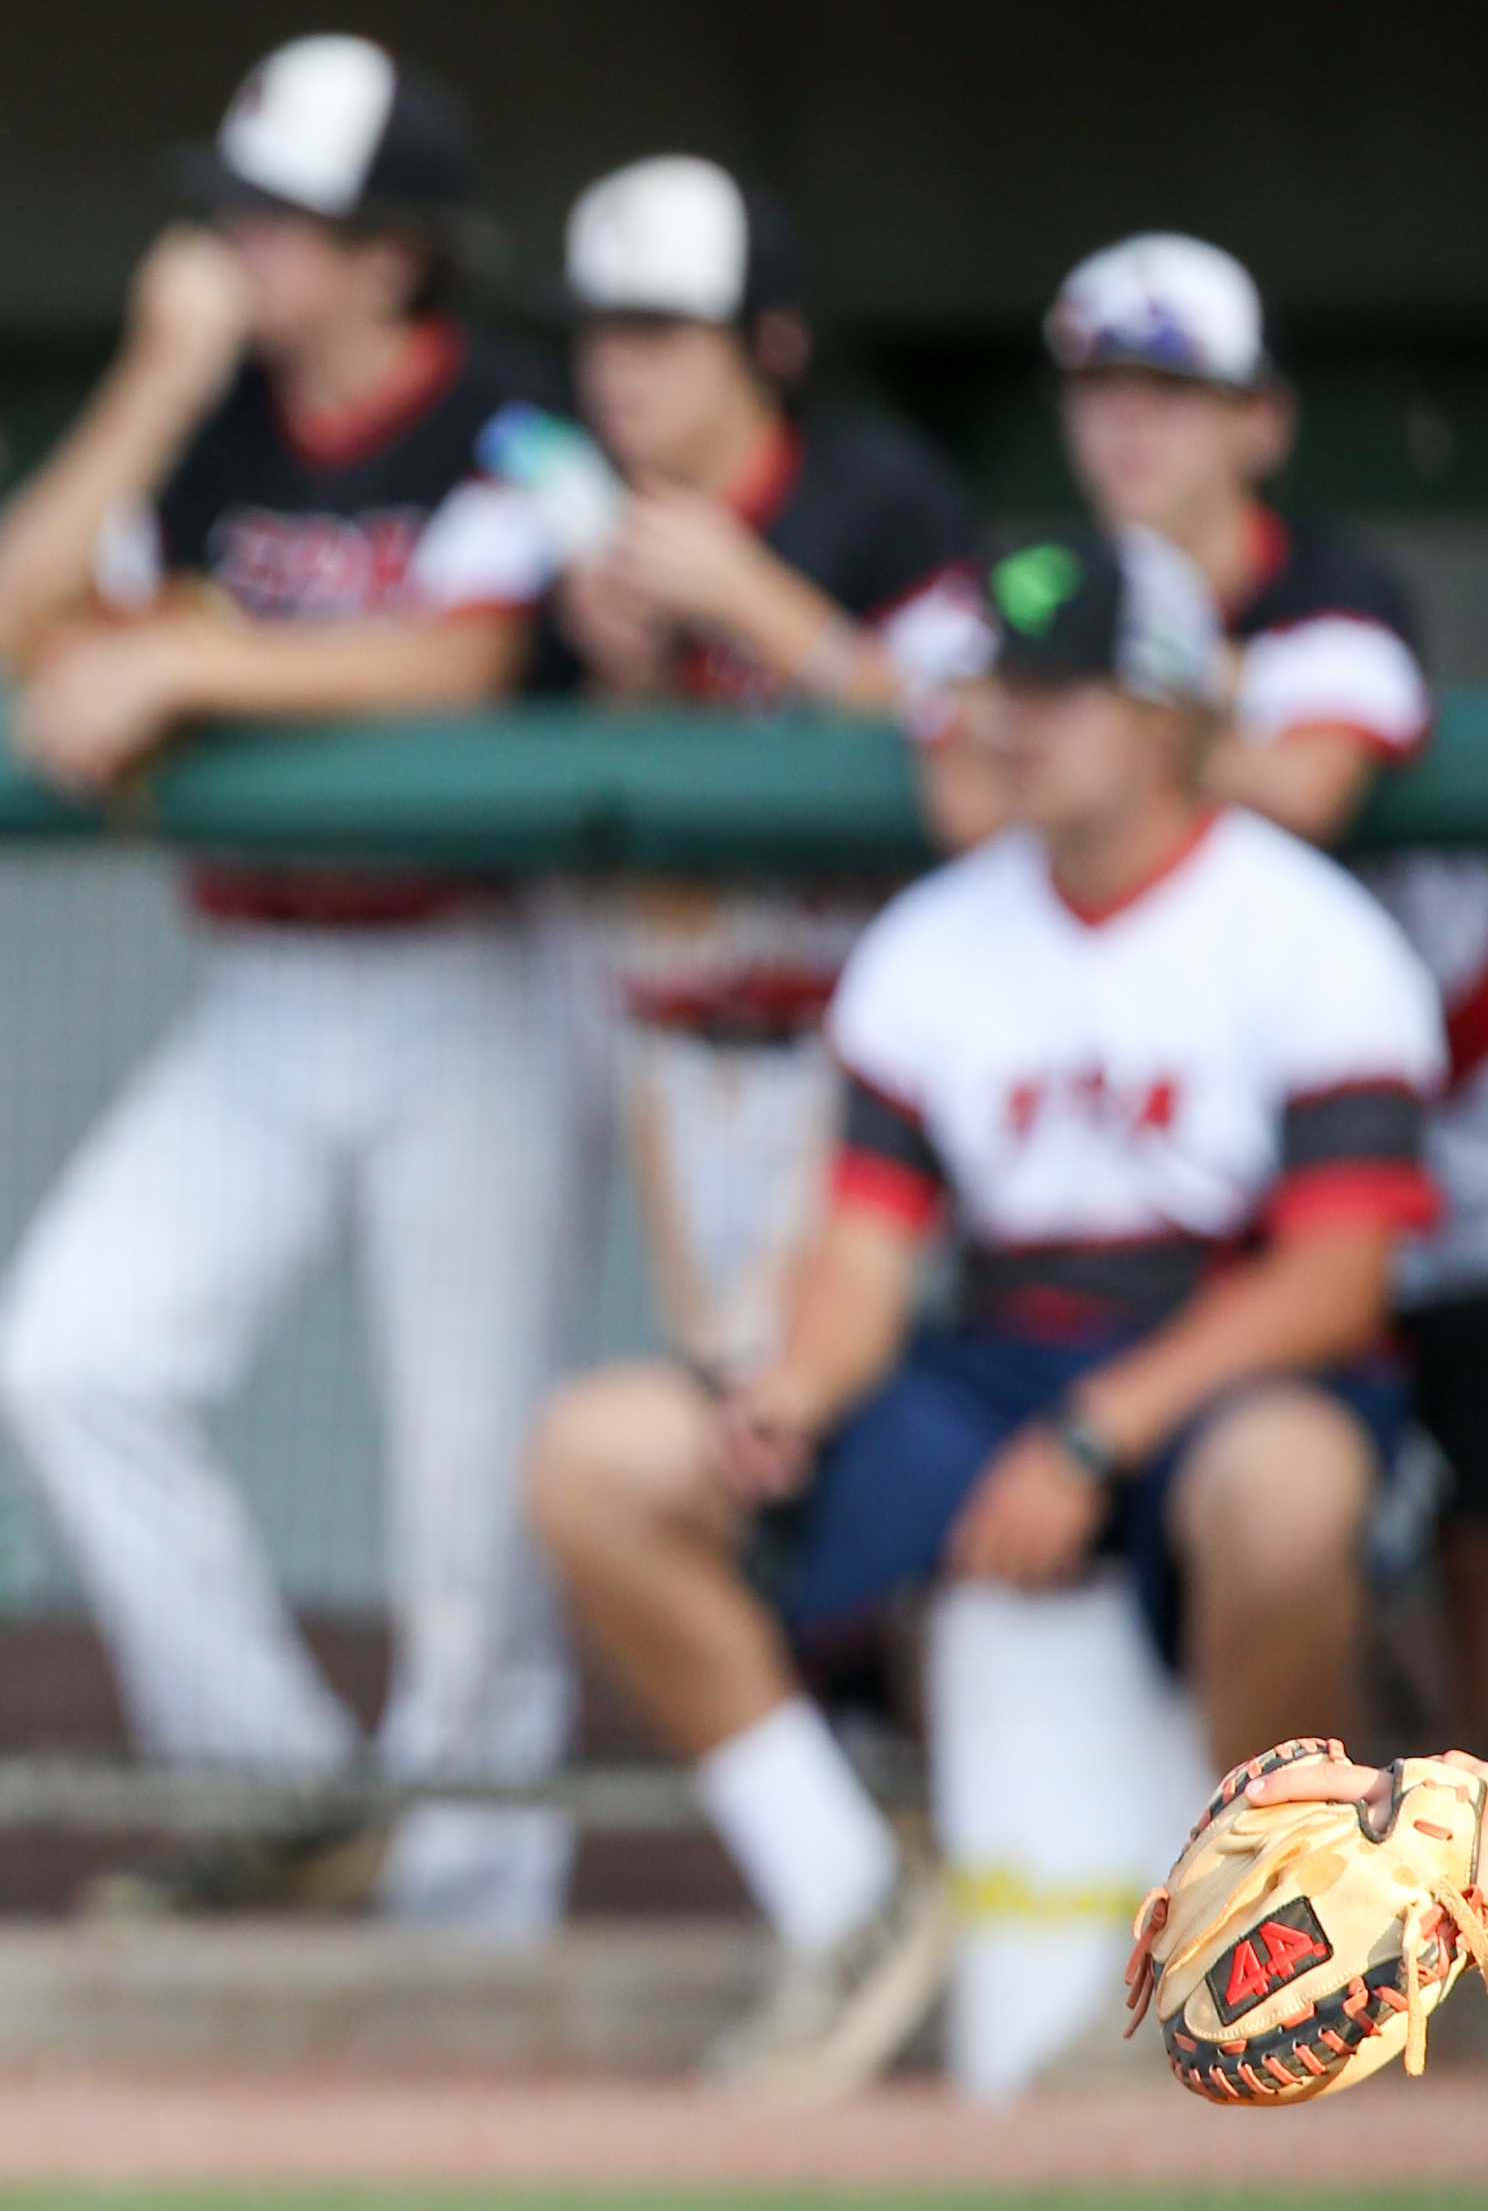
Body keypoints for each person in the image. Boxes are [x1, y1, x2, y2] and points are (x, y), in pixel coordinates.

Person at [526, 522, 1442, 2103]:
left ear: (1164, 710)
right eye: (998, 688)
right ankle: (845, 1899)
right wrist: (795, 1391)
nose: (1011, 721)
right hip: (999, 1346)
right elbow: (871, 1255)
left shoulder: (1309, 931)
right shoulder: (933, 939)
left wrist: (1097, 1433)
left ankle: (1276, 1955)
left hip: (1221, 1356)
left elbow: (1333, 1283)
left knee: (1291, 1493)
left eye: (1061, 689)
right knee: (603, 1454)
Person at [0, 33, 586, 1933]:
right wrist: (154, 383)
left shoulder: (503, 417)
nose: (236, 247)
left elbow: (470, 662)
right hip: (263, 987)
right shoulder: (209, 412)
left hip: (470, 977)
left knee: (465, 1490)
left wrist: (192, 663)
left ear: (392, 252)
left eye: (281, 221)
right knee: (66, 1358)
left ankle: (479, 1920)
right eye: (227, 208)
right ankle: (280, 1783)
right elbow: (9, 616)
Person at [895, 235, 1485, 1739]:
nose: (1131, 425)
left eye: (1173, 387)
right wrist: (1098, 694)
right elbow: (965, 797)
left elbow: (1306, 787)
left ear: (1261, 420)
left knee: (1447, 1497)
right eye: (1101, 388)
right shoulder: (1031, 585)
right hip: (1174, 1154)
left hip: (1422, 1147)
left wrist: (1119, 710)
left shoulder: (1335, 587)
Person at [541, 156, 974, 1377]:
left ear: (770, 345)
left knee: (854, 1386)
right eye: (600, 330)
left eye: (662, 332)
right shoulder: (567, 517)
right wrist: (613, 671)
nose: (616, 365)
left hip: (863, 1041)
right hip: (668, 1037)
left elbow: (989, 729)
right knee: (713, 1388)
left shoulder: (876, 492)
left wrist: (757, 606)